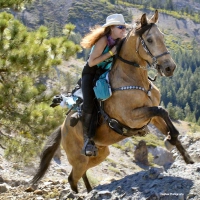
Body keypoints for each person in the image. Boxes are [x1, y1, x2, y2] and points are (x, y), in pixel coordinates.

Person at [79, 14, 129, 156]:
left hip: (106, 73)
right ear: (111, 28)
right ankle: (88, 140)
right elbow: (91, 62)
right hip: (91, 73)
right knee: (89, 104)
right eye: (120, 27)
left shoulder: (121, 40)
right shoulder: (103, 41)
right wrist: (111, 53)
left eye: (124, 27)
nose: (123, 30)